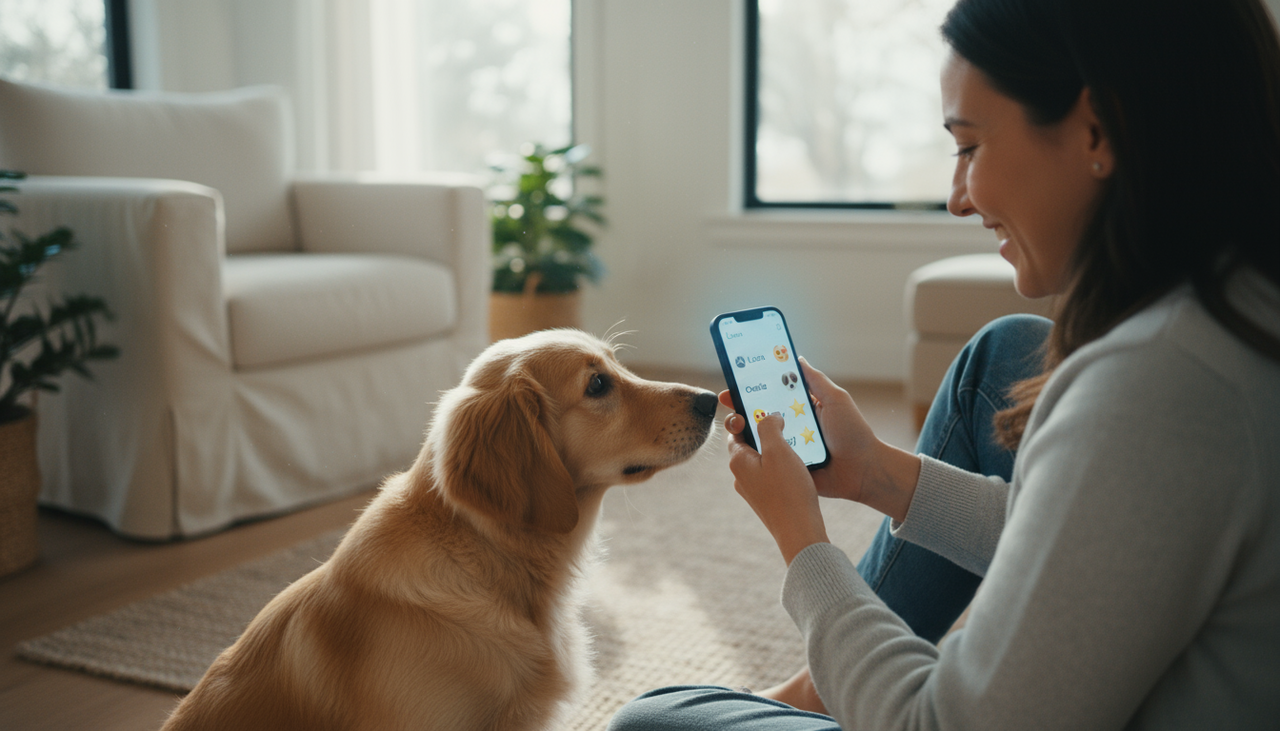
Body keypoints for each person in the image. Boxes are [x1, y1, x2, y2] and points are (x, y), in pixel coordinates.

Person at [609, 0, 1280, 728]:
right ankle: (825, 688)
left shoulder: (1152, 390)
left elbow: (940, 723)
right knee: (1003, 353)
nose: (958, 198)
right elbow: (1090, 540)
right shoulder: (1231, 309)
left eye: (968, 147)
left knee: (655, 722)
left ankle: (830, 691)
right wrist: (875, 471)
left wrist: (803, 542)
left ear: (1096, 129)